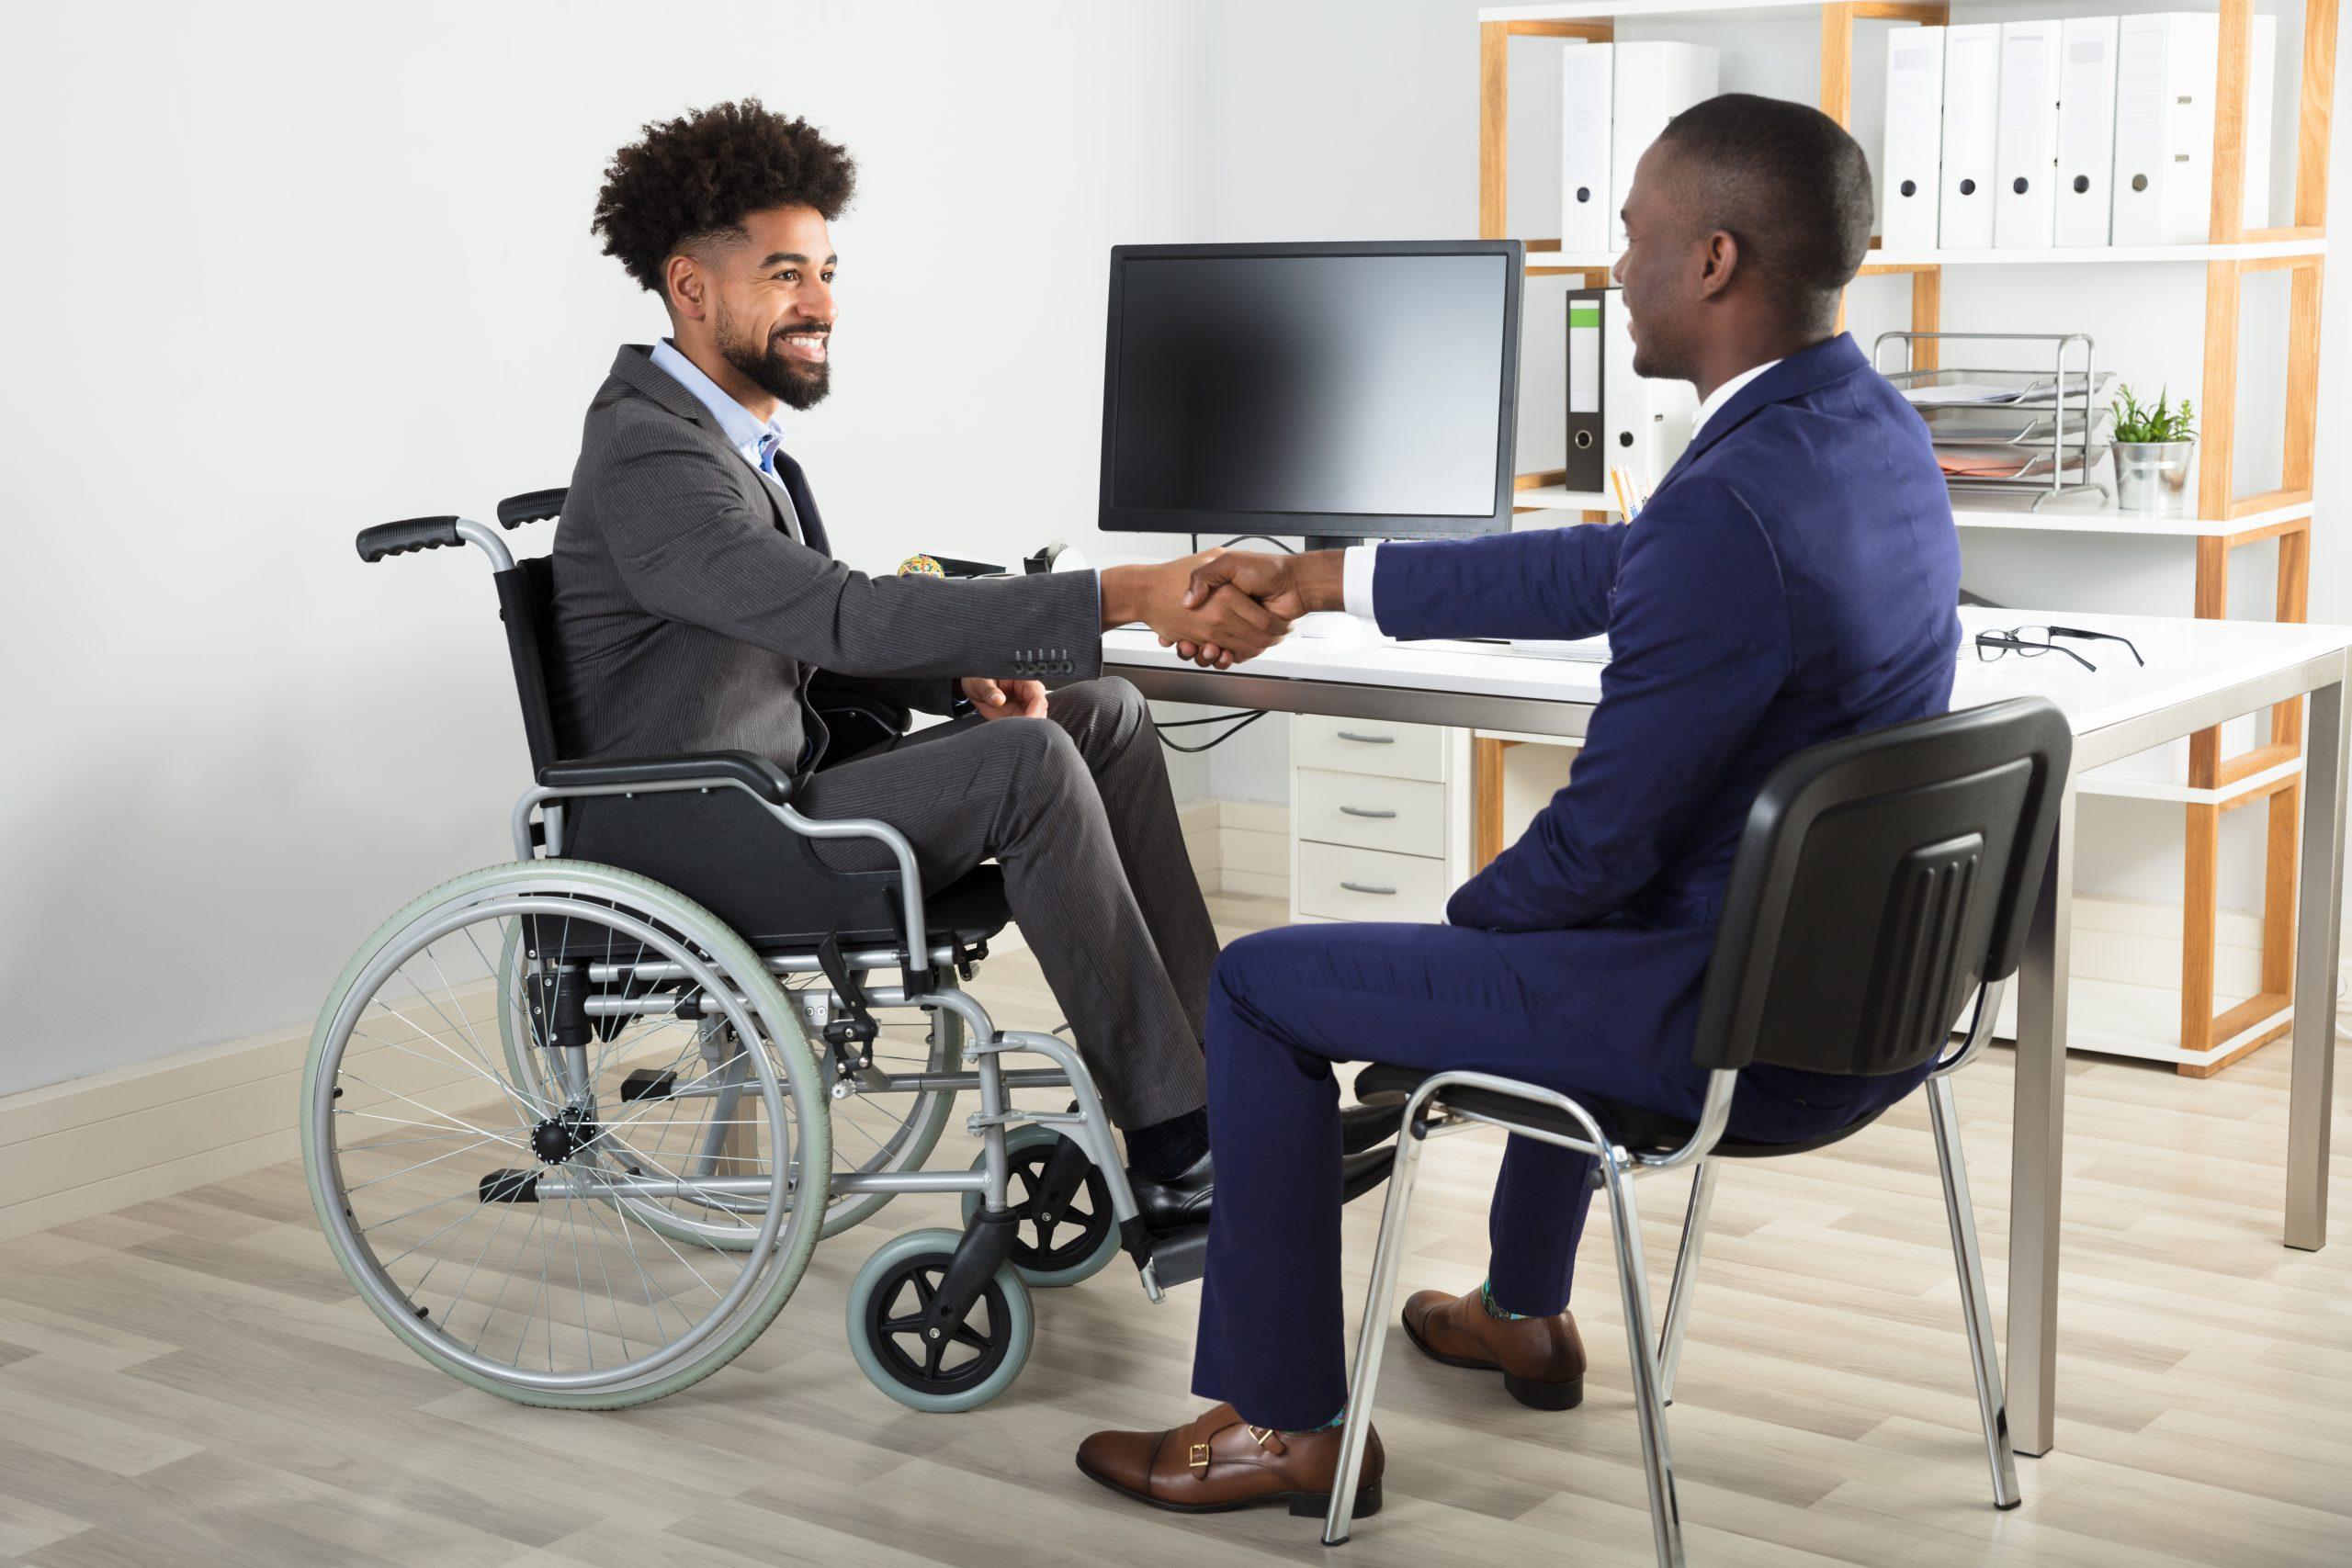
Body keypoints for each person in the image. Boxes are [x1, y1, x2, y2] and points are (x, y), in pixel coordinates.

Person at [1077, 94, 1965, 1515]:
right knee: (1571, 909)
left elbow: (1597, 845)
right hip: (1864, 1007)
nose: (1615, 267)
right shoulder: (1864, 433)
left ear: (1715, 260)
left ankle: (1284, 1423)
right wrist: (1325, 579)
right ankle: (1520, 1307)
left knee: (1260, 986)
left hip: (1724, 1024)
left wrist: (1454, 953)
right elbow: (1618, 567)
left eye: (1634, 236)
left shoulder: (1733, 511)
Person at [553, 100, 1287, 1219]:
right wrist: (1127, 592)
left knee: (1100, 711)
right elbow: (842, 617)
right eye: (787, 274)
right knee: (1028, 764)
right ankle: (1176, 1134)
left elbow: (795, 639)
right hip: (709, 832)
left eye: (828, 272)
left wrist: (957, 677)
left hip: (766, 793)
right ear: (691, 288)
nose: (823, 304)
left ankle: (1210, 1071)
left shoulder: (716, 439)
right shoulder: (653, 454)